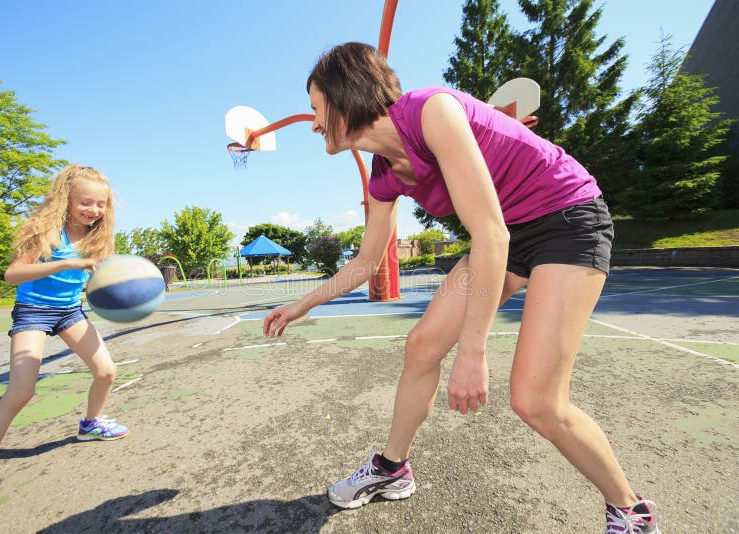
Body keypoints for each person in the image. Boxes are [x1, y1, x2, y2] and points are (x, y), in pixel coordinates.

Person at [262, 42, 660, 533]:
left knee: (535, 401)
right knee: (423, 345)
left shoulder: (432, 110)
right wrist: (302, 303)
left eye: (316, 104)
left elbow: (489, 233)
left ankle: (630, 510)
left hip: (567, 220)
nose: (314, 121)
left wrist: (473, 351)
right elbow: (365, 263)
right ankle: (392, 469)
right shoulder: (385, 178)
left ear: (346, 92)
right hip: (509, 232)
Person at [0, 165, 129, 532]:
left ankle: (91, 423)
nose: (93, 210)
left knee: (106, 372)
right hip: (33, 311)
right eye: (85, 202)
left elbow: (94, 277)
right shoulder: (45, 230)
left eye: (100, 204)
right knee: (21, 391)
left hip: (70, 311)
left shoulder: (98, 237)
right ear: (66, 199)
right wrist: (70, 261)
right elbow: (13, 275)